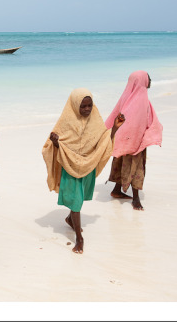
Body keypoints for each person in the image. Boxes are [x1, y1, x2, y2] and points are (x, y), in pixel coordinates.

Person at [42, 88, 124, 254]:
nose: (87, 109)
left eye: (89, 105)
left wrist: (115, 128)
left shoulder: (95, 119)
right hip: (70, 167)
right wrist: (56, 143)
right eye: (83, 106)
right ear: (74, 106)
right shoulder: (66, 122)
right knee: (76, 202)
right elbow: (51, 145)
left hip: (87, 166)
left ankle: (70, 219)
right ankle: (79, 238)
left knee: (77, 200)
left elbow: (103, 140)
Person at [105, 71, 163, 211]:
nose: (150, 80)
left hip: (122, 140)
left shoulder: (126, 97)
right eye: (148, 78)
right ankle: (136, 199)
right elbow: (142, 121)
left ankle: (117, 189)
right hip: (135, 142)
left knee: (120, 163)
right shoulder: (141, 99)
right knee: (136, 167)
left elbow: (116, 116)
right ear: (142, 81)